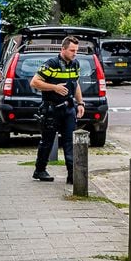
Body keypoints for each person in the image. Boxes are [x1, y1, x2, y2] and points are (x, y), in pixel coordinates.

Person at [30, 36, 86, 184]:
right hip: (51, 109)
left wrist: (80, 103)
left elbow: (75, 84)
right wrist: (54, 87)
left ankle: (72, 175)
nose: (75, 53)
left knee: (70, 142)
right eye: (72, 50)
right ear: (63, 49)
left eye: (76, 51)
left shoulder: (75, 64)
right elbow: (34, 82)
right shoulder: (51, 64)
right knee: (47, 142)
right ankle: (40, 170)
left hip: (68, 108)